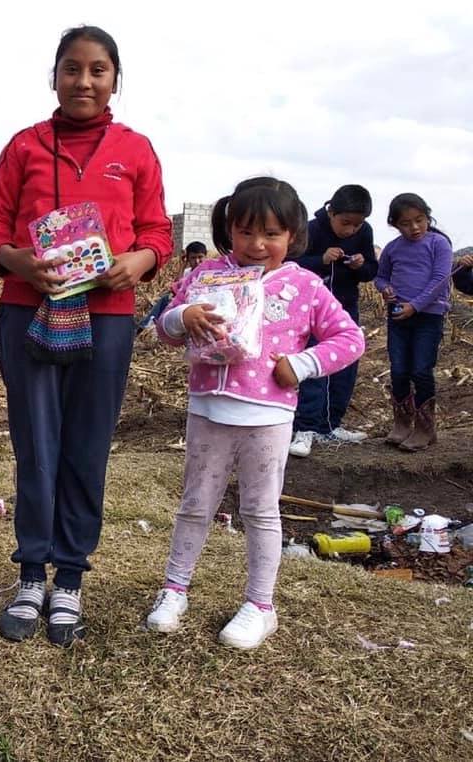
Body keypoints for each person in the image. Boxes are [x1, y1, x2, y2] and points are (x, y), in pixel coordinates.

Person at [0, 25, 173, 646]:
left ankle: (70, 581)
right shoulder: (24, 146)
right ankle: (32, 575)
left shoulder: (135, 150)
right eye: (71, 69)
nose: (83, 81)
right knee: (37, 446)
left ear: (116, 79)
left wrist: (137, 263)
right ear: (53, 76)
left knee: (85, 447)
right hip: (29, 312)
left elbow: (158, 232)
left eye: (98, 70)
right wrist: (17, 261)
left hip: (108, 316)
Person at [146, 177, 365, 649]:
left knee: (261, 510)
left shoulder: (303, 285)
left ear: (292, 236)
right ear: (230, 230)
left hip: (268, 417)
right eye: (246, 232)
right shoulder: (206, 275)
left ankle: (260, 605)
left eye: (271, 234)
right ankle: (174, 589)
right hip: (207, 410)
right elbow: (166, 328)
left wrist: (302, 365)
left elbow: (350, 340)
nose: (257, 245)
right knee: (195, 504)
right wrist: (181, 318)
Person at [289, 185, 377, 456]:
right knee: (315, 368)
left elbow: (371, 271)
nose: (351, 230)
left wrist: (361, 265)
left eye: (357, 224)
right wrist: (322, 260)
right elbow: (293, 264)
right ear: (331, 212)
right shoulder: (312, 230)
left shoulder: (364, 233)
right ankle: (305, 429)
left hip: (346, 308)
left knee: (345, 366)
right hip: (312, 310)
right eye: (345, 223)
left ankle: (330, 426)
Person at [374, 193, 453, 451]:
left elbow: (441, 278)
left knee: (420, 369)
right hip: (398, 315)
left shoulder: (438, 244)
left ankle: (425, 428)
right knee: (399, 369)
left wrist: (415, 306)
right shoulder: (393, 248)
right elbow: (381, 277)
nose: (414, 227)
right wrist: (385, 289)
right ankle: (402, 423)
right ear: (395, 224)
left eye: (419, 220)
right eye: (406, 223)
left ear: (427, 218)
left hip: (428, 316)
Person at [138, 241, 208, 332]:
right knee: (167, 298)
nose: (197, 261)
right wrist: (182, 265)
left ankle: (147, 324)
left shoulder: (209, 273)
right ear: (188, 259)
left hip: (197, 301)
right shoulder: (188, 272)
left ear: (205, 257)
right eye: (193, 258)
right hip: (184, 300)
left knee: (167, 299)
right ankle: (149, 325)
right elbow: (176, 286)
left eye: (200, 257)